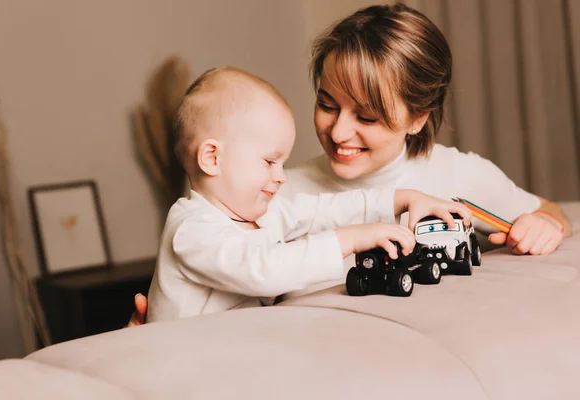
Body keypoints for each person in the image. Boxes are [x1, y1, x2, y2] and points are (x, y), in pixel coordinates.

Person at [128, 3, 571, 325]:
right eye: (326, 104)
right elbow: (248, 277)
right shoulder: (267, 193)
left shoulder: (459, 175)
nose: (339, 133)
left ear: (418, 117)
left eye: (366, 116)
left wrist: (545, 224)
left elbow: (551, 212)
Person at [146, 66, 470, 321]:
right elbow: (264, 270)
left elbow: (324, 210)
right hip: (180, 368)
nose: (281, 177)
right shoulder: (191, 231)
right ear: (212, 158)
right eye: (270, 161)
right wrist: (352, 239)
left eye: (283, 163)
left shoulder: (261, 214)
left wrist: (400, 198)